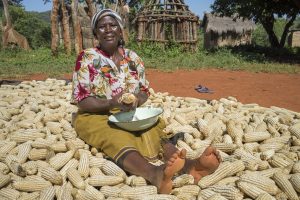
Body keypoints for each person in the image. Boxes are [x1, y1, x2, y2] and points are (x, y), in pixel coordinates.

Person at [71, 9, 221, 194]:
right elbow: (82, 101)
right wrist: (111, 103)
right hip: (96, 114)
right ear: (95, 33)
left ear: (120, 30)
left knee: (153, 127)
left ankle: (190, 166)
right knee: (115, 135)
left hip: (127, 112)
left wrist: (136, 100)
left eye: (113, 25)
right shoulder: (86, 58)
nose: (108, 30)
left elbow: (143, 91)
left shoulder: (133, 59)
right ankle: (154, 173)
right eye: (102, 27)